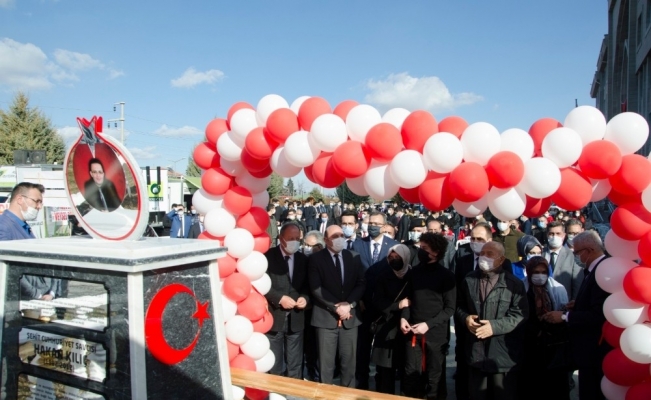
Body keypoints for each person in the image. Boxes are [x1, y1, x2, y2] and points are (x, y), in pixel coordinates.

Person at [542, 231, 611, 400]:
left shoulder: (603, 272)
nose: (576, 257)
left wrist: (565, 317)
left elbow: (599, 314)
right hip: (588, 349)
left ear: (589, 250)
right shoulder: (593, 270)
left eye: (577, 252)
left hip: (595, 349)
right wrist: (578, 304)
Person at [455, 241, 529, 400]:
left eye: (490, 254)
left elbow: (520, 314)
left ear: (501, 259)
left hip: (502, 355)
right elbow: (459, 306)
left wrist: (494, 327)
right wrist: (465, 318)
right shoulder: (469, 279)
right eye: (482, 253)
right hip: (476, 352)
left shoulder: (513, 284)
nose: (484, 257)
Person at [308, 225, 365, 387]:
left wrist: (349, 304)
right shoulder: (316, 259)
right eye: (335, 236)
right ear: (326, 240)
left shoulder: (353, 257)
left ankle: (348, 395)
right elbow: (316, 288)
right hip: (325, 318)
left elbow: (361, 283)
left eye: (341, 235)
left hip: (350, 318)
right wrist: (336, 307)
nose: (340, 238)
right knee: (326, 366)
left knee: (349, 364)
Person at [401, 233, 456, 399]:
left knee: (434, 375)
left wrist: (428, 324)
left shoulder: (447, 276)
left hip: (436, 334)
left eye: (425, 248)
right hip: (412, 331)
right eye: (420, 247)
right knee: (411, 373)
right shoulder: (413, 273)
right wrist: (404, 318)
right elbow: (408, 299)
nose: (421, 251)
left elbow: (450, 308)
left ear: (436, 252)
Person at [351, 211, 398, 389]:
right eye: (370, 223)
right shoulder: (357, 244)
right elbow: (354, 275)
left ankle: (382, 383)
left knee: (382, 349)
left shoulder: (393, 246)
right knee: (362, 347)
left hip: (385, 307)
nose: (372, 226)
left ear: (384, 226)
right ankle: (361, 381)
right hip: (363, 305)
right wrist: (359, 300)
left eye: (377, 224)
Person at [264, 223, 310, 378]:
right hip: (274, 317)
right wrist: (279, 298)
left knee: (295, 364)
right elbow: (262, 284)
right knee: (275, 363)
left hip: (296, 319)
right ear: (281, 238)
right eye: (291, 238)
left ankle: (294, 389)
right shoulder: (268, 257)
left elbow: (307, 285)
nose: (294, 242)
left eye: (297, 239)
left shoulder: (303, 259)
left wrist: (304, 298)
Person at [521, 256, 570, 400]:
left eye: (543, 272)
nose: (540, 276)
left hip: (553, 345)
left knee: (555, 386)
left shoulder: (557, 289)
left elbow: (563, 312)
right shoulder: (521, 288)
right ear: (529, 272)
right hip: (529, 344)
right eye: (536, 272)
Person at [371, 244, 412, 394]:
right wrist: (397, 305)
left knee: (406, 370)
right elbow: (377, 301)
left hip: (406, 328)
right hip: (386, 327)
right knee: (385, 373)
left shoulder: (413, 275)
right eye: (391, 257)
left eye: (397, 257)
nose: (394, 260)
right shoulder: (383, 275)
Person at [544, 221, 584, 301]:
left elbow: (577, 282)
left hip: (564, 302)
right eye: (551, 233)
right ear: (547, 235)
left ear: (564, 235)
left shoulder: (573, 256)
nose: (554, 236)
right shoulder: (540, 253)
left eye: (558, 233)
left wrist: (574, 302)